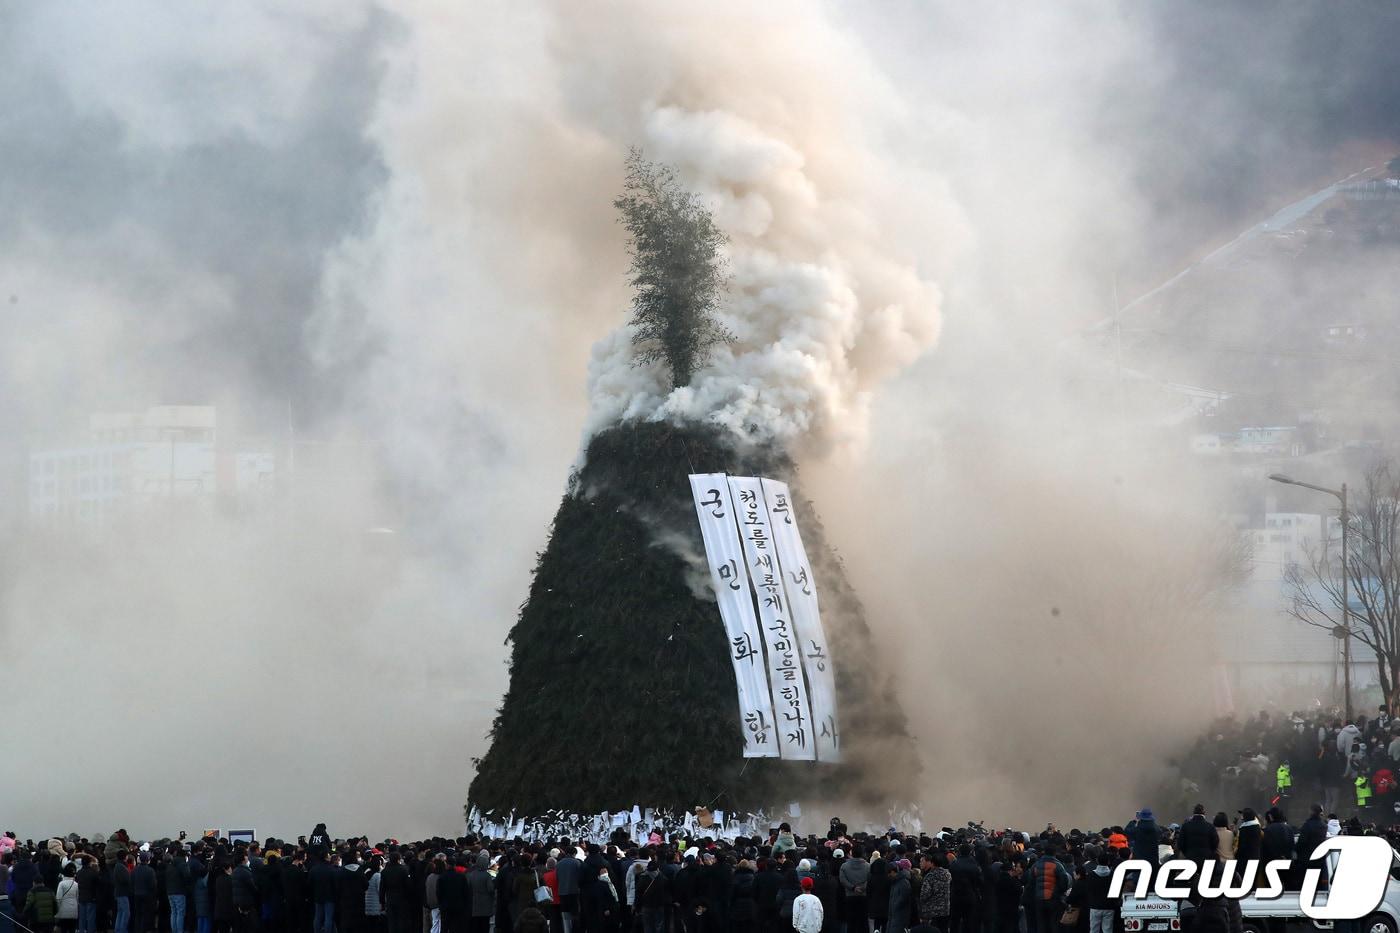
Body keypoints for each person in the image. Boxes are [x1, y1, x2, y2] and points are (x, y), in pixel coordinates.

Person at [309, 854, 338, 933]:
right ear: (325, 858)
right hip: (330, 897)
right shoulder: (332, 869)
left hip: (317, 896)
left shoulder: (314, 869)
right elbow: (336, 884)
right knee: (328, 918)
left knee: (317, 917)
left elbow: (310, 884)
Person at [166, 845, 192, 933]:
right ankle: (180, 931)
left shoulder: (171, 865)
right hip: (180, 891)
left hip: (170, 891)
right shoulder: (183, 864)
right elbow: (187, 876)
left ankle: (174, 931)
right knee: (180, 913)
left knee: (173, 913)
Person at [467, 853, 495, 933]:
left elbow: (468, 888)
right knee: (485, 925)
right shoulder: (487, 875)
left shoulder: (471, 874)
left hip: (474, 903)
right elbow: (490, 889)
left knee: (475, 926)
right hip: (485, 904)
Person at [886, 863, 911, 933]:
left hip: (899, 918)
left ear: (893, 871)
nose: (888, 876)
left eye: (889, 873)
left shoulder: (903, 882)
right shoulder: (895, 882)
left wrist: (894, 906)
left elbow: (903, 899)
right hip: (894, 917)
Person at [56, 865, 80, 933]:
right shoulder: (76, 884)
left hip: (63, 912)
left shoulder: (61, 884)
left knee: (63, 930)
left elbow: (58, 898)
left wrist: (57, 912)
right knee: (72, 930)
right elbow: (77, 898)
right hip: (74, 911)